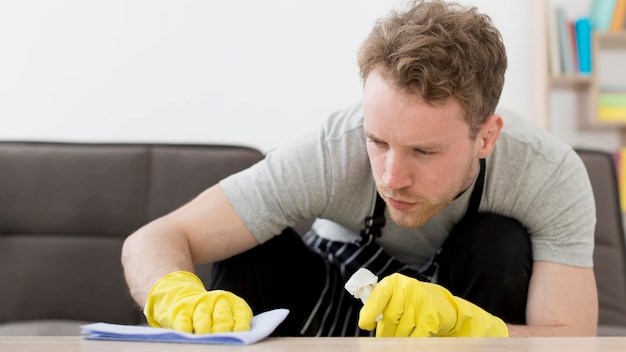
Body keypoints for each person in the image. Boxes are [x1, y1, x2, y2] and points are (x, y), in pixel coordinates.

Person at [121, 0, 598, 338]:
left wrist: (469, 327)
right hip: (331, 308)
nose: (391, 177)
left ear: (487, 137)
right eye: (378, 141)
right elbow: (154, 240)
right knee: (251, 252)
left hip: (450, 329)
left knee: (499, 242)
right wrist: (174, 296)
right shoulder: (331, 152)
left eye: (424, 152)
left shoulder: (548, 173)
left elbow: (570, 335)